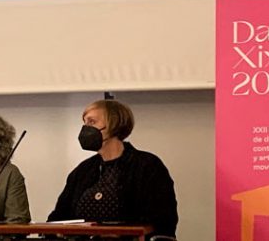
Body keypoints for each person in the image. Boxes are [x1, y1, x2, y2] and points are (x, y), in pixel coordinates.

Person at [47, 99, 178, 238]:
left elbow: (162, 220)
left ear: (114, 124)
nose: (85, 129)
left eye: (92, 122)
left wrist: (117, 234)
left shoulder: (147, 166)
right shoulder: (83, 171)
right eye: (84, 123)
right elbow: (58, 218)